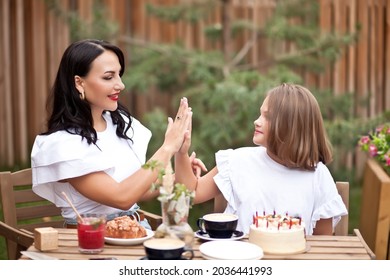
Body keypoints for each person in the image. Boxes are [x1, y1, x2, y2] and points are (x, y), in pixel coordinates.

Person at [31, 39, 202, 229]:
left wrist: (181, 158)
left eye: (119, 75)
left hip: (136, 231)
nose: (120, 85)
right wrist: (167, 147)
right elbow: (122, 198)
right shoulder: (63, 144)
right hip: (90, 242)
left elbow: (142, 190)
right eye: (108, 77)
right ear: (79, 82)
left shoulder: (120, 125)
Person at [175, 83, 348, 235]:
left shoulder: (318, 176)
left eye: (268, 117)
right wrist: (181, 153)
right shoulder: (237, 160)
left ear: (291, 127)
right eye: (260, 114)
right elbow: (191, 194)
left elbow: (322, 243)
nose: (256, 122)